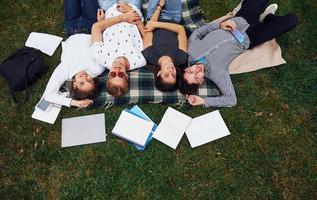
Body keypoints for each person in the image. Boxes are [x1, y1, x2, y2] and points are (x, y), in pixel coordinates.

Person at [178, 0, 298, 107]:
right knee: (292, 19)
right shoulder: (217, 74)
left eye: (190, 71)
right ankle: (268, 19)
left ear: (186, 68)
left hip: (239, 21)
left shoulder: (191, 50)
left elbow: (199, 32)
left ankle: (257, 13)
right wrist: (204, 101)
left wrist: (220, 24)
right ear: (201, 81)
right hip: (252, 37)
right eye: (196, 77)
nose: (196, 70)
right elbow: (231, 100)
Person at [92, 0, 146, 97]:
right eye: (120, 75)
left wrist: (122, 18)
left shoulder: (100, 57)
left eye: (113, 74)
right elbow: (146, 36)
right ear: (126, 77)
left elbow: (96, 28)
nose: (117, 70)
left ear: (108, 76)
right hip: (132, 8)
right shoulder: (140, 60)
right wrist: (130, 12)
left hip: (108, 9)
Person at [141, 0, 188, 91]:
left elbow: (149, 28)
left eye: (166, 74)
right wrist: (155, 25)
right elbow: (180, 29)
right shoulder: (181, 59)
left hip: (154, 15)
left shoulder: (150, 56)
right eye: (174, 75)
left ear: (159, 73)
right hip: (174, 17)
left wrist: (159, 7)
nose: (171, 71)